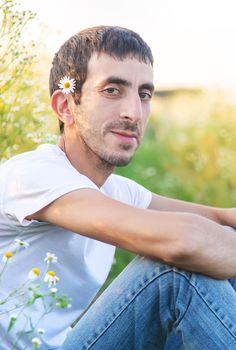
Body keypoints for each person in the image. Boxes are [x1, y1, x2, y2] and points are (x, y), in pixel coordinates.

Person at [0, 25, 236, 350]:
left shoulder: (117, 190)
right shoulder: (32, 175)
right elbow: (183, 242)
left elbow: (220, 219)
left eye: (144, 94)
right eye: (112, 90)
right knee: (174, 275)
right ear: (66, 106)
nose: (133, 113)